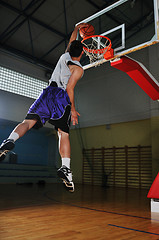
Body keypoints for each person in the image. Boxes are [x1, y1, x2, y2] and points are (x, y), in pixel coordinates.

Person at [0, 23, 88, 192]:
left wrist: (76, 28)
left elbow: (71, 41)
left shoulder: (64, 56)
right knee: (63, 133)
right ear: (83, 53)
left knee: (28, 121)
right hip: (62, 98)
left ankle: (9, 140)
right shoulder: (78, 69)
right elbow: (69, 89)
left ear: (70, 49)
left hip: (47, 93)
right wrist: (74, 110)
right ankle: (66, 168)